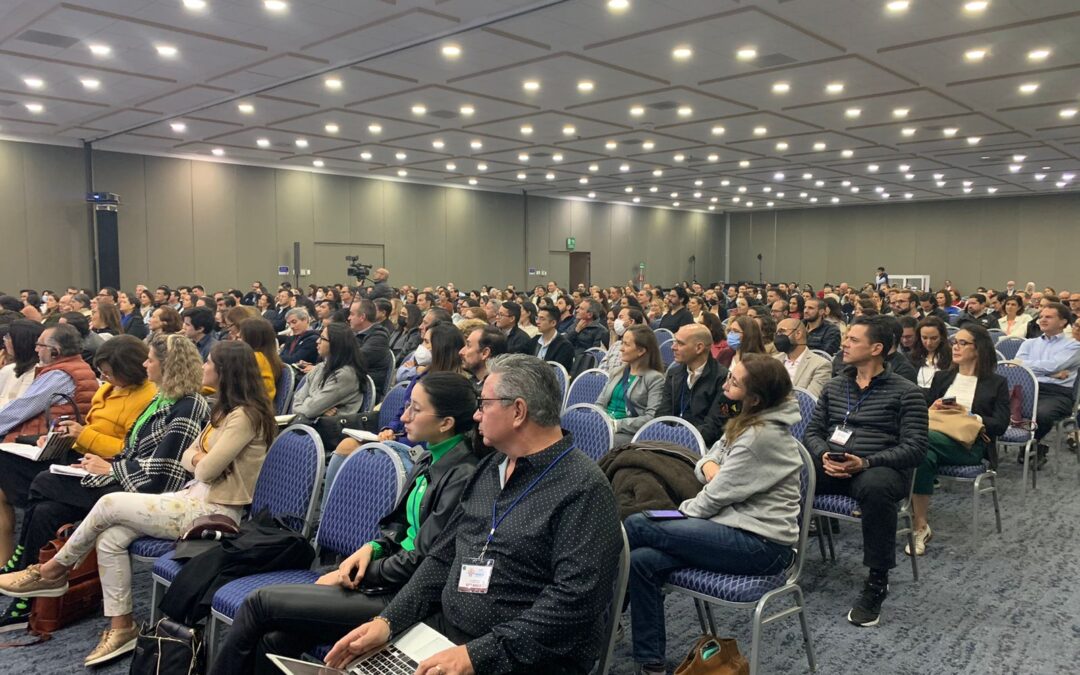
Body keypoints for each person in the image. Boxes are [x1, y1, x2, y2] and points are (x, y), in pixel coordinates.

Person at [324, 354, 622, 674]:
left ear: (518, 411)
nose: (476, 415)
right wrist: (389, 620)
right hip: (445, 634)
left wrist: (476, 656)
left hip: (522, 658)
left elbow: (573, 605)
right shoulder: (491, 467)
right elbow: (442, 556)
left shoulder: (583, 489)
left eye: (484, 404)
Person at [0, 340, 274, 666]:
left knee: (109, 503)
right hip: (192, 496)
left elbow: (204, 467)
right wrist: (202, 459)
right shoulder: (222, 411)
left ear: (225, 370)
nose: (204, 367)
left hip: (215, 512)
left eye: (210, 362)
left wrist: (202, 459)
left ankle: (52, 570)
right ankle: (122, 626)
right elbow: (192, 458)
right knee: (110, 536)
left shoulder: (244, 416)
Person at [211, 372, 486, 675]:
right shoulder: (428, 459)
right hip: (385, 576)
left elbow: (424, 562)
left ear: (446, 423)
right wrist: (372, 548)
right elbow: (397, 529)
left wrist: (356, 574)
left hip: (403, 597)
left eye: (416, 410)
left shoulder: (461, 475)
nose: (404, 416)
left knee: (259, 603)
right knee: (276, 639)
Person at [0, 334, 208, 628]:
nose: (145, 363)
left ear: (167, 365)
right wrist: (99, 460)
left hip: (145, 487)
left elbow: (165, 471)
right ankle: (35, 597)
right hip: (122, 471)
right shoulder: (162, 398)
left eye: (151, 359)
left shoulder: (186, 404)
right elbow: (132, 449)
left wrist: (110, 468)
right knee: (47, 509)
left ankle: (32, 569)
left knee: (44, 482)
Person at [626, 355, 802, 675]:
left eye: (733, 382)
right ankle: (650, 662)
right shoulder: (742, 414)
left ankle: (594, 618)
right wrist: (710, 469)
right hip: (727, 528)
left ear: (755, 397)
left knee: (638, 525)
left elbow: (713, 497)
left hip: (760, 545)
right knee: (641, 561)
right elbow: (707, 457)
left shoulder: (760, 436)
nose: (724, 385)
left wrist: (678, 516)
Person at [803, 315, 928, 627]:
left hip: (878, 468)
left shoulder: (906, 391)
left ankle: (876, 581)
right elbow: (812, 433)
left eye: (853, 340)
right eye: (846, 338)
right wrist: (822, 455)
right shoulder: (835, 386)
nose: (844, 344)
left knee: (876, 488)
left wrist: (867, 462)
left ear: (877, 348)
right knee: (791, 470)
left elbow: (916, 448)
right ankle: (780, 554)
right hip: (833, 462)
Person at [909, 325, 1008, 555]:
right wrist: (932, 406)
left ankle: (896, 503)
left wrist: (969, 414)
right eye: (955, 342)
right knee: (921, 454)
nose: (956, 346)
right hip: (934, 437)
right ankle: (920, 526)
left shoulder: (996, 383)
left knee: (915, 441)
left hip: (972, 445)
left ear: (979, 349)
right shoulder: (943, 377)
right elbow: (925, 412)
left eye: (963, 343)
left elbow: (1001, 425)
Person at [1015, 303, 1080, 465]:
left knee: (1041, 414)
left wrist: (1044, 368)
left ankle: (1032, 445)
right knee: (994, 406)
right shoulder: (1028, 343)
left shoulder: (1074, 346)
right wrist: (1052, 373)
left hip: (1057, 393)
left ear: (1063, 322)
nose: (1042, 319)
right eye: (1041, 316)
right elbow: (1015, 366)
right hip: (1028, 388)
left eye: (1049, 317)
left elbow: (1053, 365)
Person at [656, 324, 730, 446]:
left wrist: (678, 438)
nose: (673, 347)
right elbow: (663, 412)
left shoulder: (723, 379)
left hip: (700, 447)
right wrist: (665, 435)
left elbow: (714, 426)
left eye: (680, 343)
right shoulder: (674, 374)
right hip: (668, 441)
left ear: (699, 348)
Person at [594, 325, 665, 447]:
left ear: (641, 351)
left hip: (628, 433)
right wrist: (600, 420)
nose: (621, 349)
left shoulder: (655, 378)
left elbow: (651, 418)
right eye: (622, 343)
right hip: (604, 425)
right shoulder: (617, 372)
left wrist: (616, 424)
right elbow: (599, 404)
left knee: (599, 441)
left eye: (626, 344)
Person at [293, 323, 368, 420]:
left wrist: (310, 405)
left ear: (335, 344)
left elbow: (311, 410)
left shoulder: (345, 375)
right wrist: (317, 409)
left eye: (322, 338)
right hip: (308, 423)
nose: (317, 341)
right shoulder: (319, 367)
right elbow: (297, 402)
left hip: (330, 430)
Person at [774, 318, 832, 398]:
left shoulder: (821, 365)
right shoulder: (773, 361)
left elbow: (809, 400)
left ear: (798, 334)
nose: (778, 337)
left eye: (782, 332)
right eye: (777, 333)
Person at [350, 300, 393, 401]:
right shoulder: (353, 333)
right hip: (350, 385)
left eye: (352, 314)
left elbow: (357, 360)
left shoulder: (379, 336)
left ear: (362, 317)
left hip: (364, 391)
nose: (348, 318)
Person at [0, 320, 44, 408]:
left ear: (21, 342)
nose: (5, 340)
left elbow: (18, 408)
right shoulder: (9, 369)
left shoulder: (37, 372)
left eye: (8, 337)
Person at [238, 318, 282, 403]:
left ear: (252, 339)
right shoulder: (271, 360)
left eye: (240, 337)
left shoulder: (256, 359)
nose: (237, 338)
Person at [459, 325, 508, 394]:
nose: (461, 352)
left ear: (485, 353)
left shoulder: (497, 392)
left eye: (468, 345)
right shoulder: (470, 384)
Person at [912, 317, 952, 389]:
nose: (929, 343)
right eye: (924, 338)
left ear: (942, 337)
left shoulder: (951, 357)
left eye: (934, 338)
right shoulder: (912, 357)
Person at [530, 305, 574, 372]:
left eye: (542, 319)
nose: (537, 322)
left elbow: (558, 373)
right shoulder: (534, 341)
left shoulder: (564, 346)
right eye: (537, 318)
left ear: (553, 323)